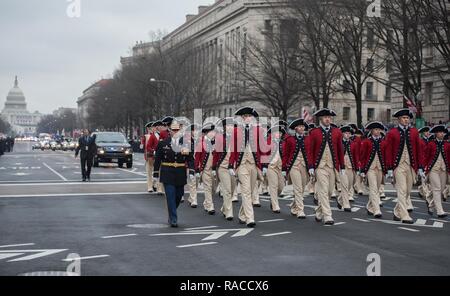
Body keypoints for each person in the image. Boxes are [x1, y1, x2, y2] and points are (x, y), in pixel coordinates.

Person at [385, 109, 424, 224]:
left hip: (411, 165)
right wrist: (389, 168)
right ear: (399, 119)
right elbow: (389, 151)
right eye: (404, 118)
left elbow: (418, 150)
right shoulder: (392, 133)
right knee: (401, 190)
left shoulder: (414, 132)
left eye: (407, 118)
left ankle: (397, 212)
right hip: (398, 166)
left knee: (407, 191)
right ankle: (404, 215)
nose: (406, 120)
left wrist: (420, 166)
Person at [153, 120, 195, 227]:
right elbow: (157, 159)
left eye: (177, 130)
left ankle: (172, 212)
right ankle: (173, 218)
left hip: (180, 172)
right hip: (167, 172)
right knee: (170, 196)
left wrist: (191, 171)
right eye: (173, 130)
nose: (175, 132)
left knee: (179, 195)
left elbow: (190, 158)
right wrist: (156, 174)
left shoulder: (186, 143)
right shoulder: (163, 143)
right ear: (169, 131)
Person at [309, 108, 345, 225]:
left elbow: (340, 150)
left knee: (329, 191)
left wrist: (342, 166)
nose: (328, 119)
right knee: (323, 190)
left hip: (332, 166)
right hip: (320, 166)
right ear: (321, 119)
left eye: (329, 117)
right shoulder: (314, 132)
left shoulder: (337, 132)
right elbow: (311, 151)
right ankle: (328, 216)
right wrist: (310, 166)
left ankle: (319, 211)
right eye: (325, 117)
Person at [230, 106, 264, 228]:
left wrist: (263, 165)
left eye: (249, 116)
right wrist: (230, 165)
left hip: (254, 164)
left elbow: (262, 149)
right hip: (241, 164)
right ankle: (250, 218)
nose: (248, 118)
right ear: (242, 118)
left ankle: (242, 215)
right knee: (245, 191)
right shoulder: (235, 131)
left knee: (249, 191)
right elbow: (233, 150)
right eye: (245, 116)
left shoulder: (258, 131)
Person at [283, 118, 311, 219]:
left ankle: (294, 206)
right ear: (295, 128)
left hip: (304, 166)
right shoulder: (289, 139)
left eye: (303, 127)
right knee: (298, 188)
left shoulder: (308, 139)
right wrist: (284, 169)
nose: (302, 128)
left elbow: (310, 154)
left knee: (302, 188)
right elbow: (285, 155)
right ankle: (300, 210)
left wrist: (311, 167)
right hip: (293, 166)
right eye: (300, 126)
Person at [360, 122, 387, 218]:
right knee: (373, 188)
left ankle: (369, 206)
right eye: (376, 129)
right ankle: (376, 210)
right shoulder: (367, 142)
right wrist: (362, 170)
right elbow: (363, 157)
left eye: (379, 130)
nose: (378, 131)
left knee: (377, 188)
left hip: (380, 168)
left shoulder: (384, 142)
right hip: (370, 168)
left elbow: (385, 157)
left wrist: (387, 170)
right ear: (371, 131)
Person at [213, 117, 237, 221]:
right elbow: (216, 155)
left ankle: (224, 208)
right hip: (222, 167)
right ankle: (229, 212)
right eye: (228, 126)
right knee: (226, 190)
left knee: (231, 190)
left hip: (233, 168)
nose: (230, 127)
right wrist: (214, 168)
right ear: (224, 127)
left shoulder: (237, 139)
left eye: (232, 126)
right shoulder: (220, 138)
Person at [424, 125, 449, 218]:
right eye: (440, 132)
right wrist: (423, 168)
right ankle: (440, 211)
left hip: (443, 169)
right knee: (437, 188)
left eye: (443, 132)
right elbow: (426, 156)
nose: (442, 134)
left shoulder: (447, 144)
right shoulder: (431, 144)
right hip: (433, 169)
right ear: (436, 134)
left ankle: (431, 205)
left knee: (441, 189)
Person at [194, 123, 218, 215]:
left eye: (213, 132)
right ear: (207, 133)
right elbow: (197, 157)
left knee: (213, 189)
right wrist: (196, 169)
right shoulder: (201, 143)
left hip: (214, 169)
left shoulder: (216, 142)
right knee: (207, 187)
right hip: (205, 169)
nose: (213, 134)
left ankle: (206, 203)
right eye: (211, 132)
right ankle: (210, 206)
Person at [264, 125, 286, 214]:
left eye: (280, 133)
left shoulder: (283, 143)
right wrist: (264, 166)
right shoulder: (267, 142)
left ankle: (273, 199)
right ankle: (275, 205)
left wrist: (285, 168)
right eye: (277, 133)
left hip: (280, 168)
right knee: (273, 186)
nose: (279, 134)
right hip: (271, 166)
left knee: (281, 187)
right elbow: (264, 154)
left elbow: (285, 155)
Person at [337, 125, 359, 213]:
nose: (347, 135)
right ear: (342, 134)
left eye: (349, 133)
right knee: (345, 185)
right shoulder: (339, 143)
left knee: (350, 184)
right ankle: (346, 204)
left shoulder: (353, 144)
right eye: (346, 133)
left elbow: (356, 157)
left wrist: (357, 168)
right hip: (341, 167)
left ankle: (340, 199)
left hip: (350, 166)